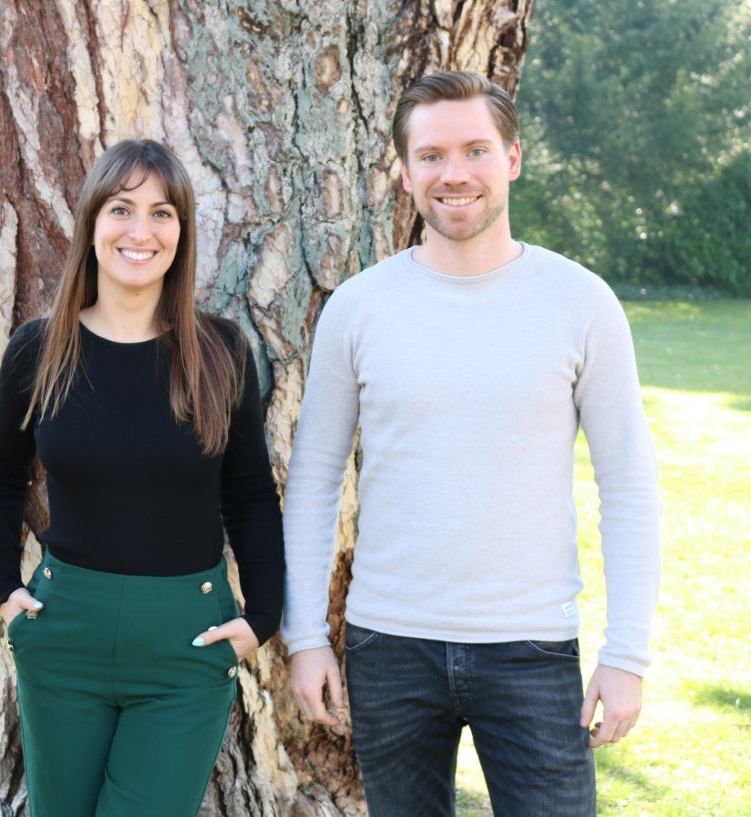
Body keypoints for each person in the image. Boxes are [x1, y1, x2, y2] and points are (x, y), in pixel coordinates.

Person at [282, 71, 662, 816]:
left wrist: (627, 653)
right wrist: (304, 634)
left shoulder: (581, 303)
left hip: (532, 647)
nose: (454, 173)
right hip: (388, 646)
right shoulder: (359, 308)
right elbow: (314, 479)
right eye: (430, 155)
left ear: (513, 158)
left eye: (475, 150)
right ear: (404, 171)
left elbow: (627, 484)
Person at [0, 139, 285, 816]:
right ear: (92, 222)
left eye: (161, 213)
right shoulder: (40, 348)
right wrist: (4, 586)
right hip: (64, 634)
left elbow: (251, 494)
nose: (140, 230)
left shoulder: (221, 352)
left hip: (185, 641)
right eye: (121, 208)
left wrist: (261, 615)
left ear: (182, 231)